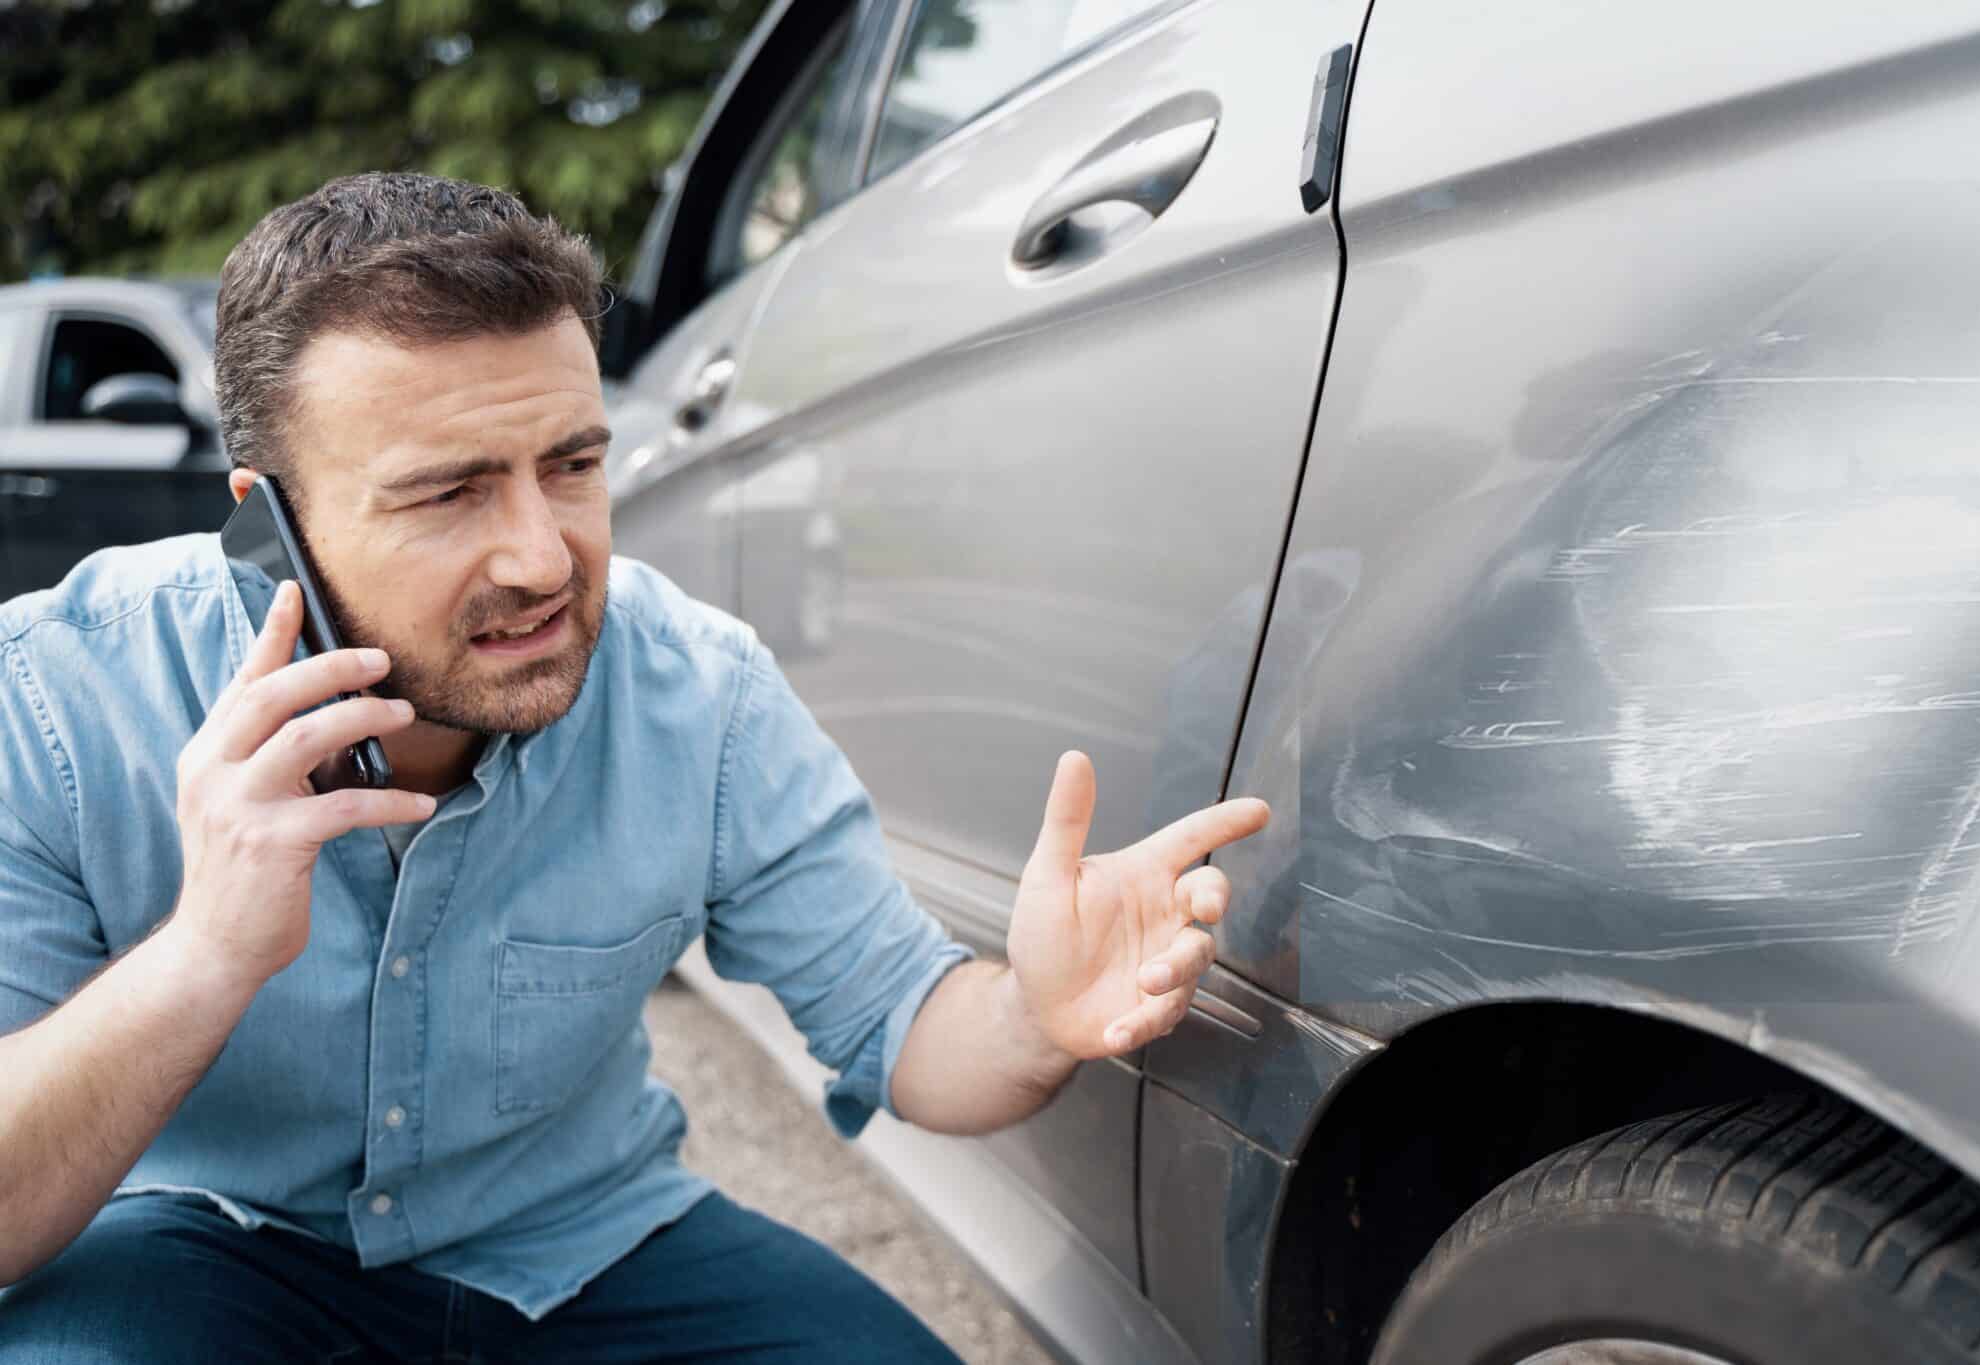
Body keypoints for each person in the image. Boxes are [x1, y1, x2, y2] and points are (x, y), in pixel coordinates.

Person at [0, 173, 1268, 1362]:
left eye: (571, 466)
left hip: (582, 1247)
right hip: (203, 1248)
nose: (544, 560)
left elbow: (902, 1027)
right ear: (265, 526)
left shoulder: (696, 690)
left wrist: (1033, 1015)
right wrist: (206, 951)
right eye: (448, 493)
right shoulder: (58, 699)